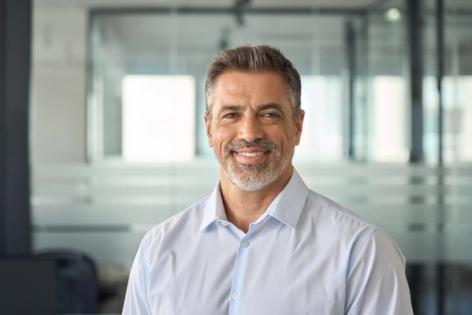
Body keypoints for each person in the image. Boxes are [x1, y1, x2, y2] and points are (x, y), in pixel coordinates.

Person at [122, 45, 414, 315]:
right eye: (231, 114)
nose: (249, 133)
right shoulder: (158, 249)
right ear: (209, 129)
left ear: (297, 127)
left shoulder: (362, 251)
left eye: (269, 114)